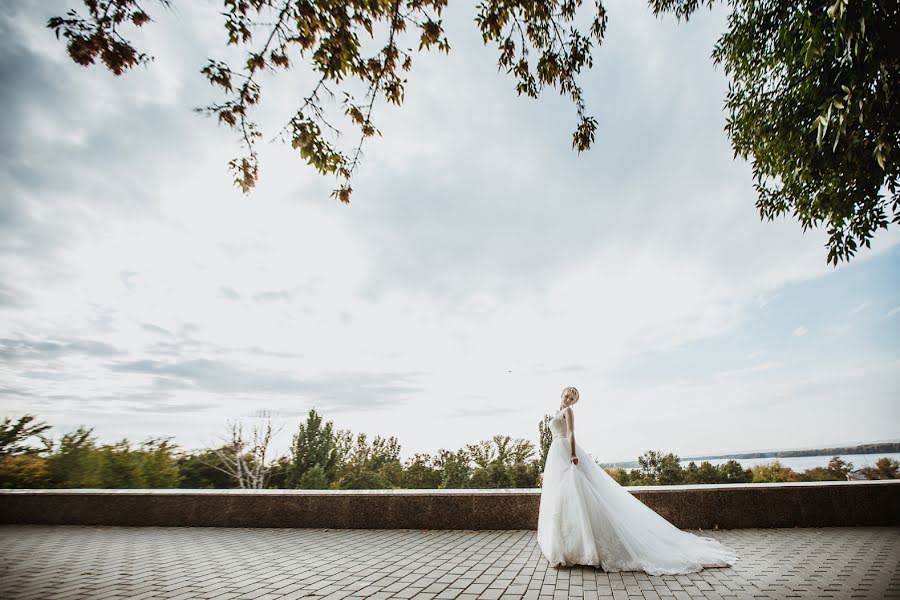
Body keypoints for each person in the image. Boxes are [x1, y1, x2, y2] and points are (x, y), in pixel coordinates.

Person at [536, 386, 738, 575]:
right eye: (567, 395)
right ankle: (564, 546)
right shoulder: (557, 411)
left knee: (575, 494)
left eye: (573, 398)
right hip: (556, 454)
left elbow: (571, 433)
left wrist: (572, 454)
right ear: (561, 394)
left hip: (564, 451)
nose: (569, 399)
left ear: (574, 401)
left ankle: (581, 549)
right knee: (562, 497)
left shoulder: (569, 412)